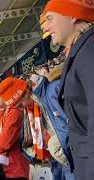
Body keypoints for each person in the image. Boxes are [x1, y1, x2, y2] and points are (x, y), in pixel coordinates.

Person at [43, 0, 94, 179]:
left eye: (50, 19)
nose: (46, 28)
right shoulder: (80, 50)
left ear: (72, 15)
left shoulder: (89, 49)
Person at [0, 77, 70, 179]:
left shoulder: (49, 95)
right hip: (56, 158)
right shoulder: (29, 110)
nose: (21, 109)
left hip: (67, 154)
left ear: (25, 94)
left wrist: (54, 145)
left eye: (20, 105)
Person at [30, 56, 75, 180]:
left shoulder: (53, 88)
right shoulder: (45, 93)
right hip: (71, 150)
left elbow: (71, 122)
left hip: (75, 150)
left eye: (54, 62)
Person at [0, 87, 30, 180]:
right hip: (5, 169)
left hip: (16, 170)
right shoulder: (1, 113)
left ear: (7, 95)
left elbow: (3, 143)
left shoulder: (14, 113)